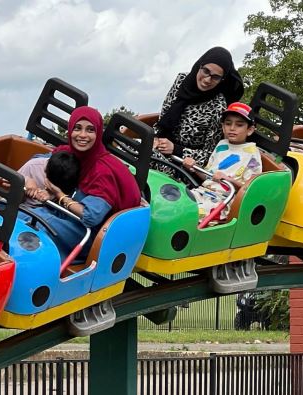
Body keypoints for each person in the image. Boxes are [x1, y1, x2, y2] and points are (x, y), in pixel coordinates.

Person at [33, 106, 142, 258]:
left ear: (98, 134)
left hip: (98, 237)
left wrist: (60, 195)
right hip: (74, 221)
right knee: (25, 213)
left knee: (36, 224)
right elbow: (39, 160)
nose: (82, 135)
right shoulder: (71, 153)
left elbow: (91, 216)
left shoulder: (102, 170)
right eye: (77, 128)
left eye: (90, 130)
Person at [152, 47, 245, 170]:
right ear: (199, 66)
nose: (207, 80)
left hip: (183, 163)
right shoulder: (181, 80)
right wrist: (155, 139)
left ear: (222, 80)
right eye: (206, 71)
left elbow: (209, 155)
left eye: (215, 77)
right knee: (128, 152)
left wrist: (176, 149)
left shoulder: (219, 107)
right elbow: (164, 115)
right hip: (158, 144)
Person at [183, 102, 264, 222]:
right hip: (203, 192)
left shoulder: (252, 153)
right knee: (178, 201)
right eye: (228, 123)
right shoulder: (221, 145)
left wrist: (227, 179)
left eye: (239, 125)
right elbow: (208, 176)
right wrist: (194, 167)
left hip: (224, 201)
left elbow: (250, 190)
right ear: (222, 126)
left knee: (189, 213)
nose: (232, 128)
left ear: (250, 130)